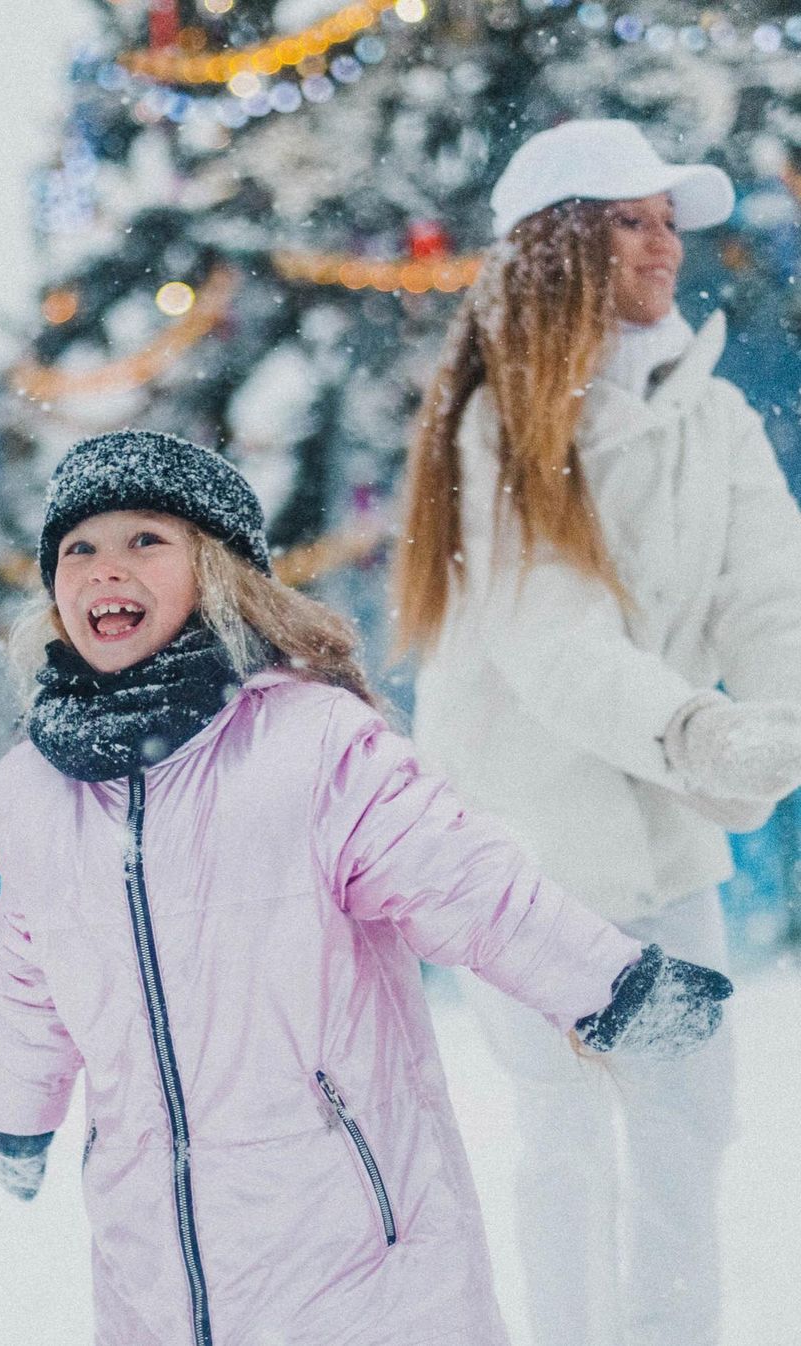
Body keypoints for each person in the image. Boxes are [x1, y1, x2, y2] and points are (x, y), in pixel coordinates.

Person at [0, 428, 731, 1346]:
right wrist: (14, 1111)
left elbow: (463, 878)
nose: (103, 569)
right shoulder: (35, 790)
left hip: (352, 1238)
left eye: (145, 541)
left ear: (216, 571)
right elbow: (31, 965)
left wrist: (612, 985)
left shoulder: (308, 744)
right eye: (78, 549)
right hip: (153, 1259)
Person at [396, 119, 801, 1346]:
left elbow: (769, 593)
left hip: (664, 839)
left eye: (671, 221)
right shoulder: (500, 426)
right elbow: (549, 639)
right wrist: (692, 726)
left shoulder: (714, 415)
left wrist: (775, 730)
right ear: (563, 245)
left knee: (691, 1120)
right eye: (634, 219)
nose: (666, 244)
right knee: (565, 1135)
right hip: (524, 846)